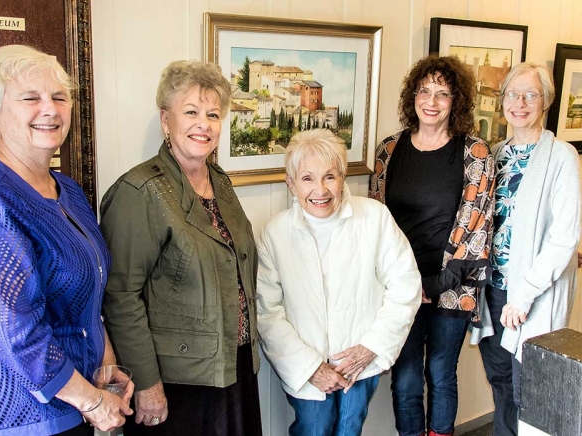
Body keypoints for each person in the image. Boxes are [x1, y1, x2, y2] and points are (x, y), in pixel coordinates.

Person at [0, 45, 133, 436]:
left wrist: (106, 365)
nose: (49, 108)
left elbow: (88, 296)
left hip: (72, 403)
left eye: (59, 97)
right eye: (31, 98)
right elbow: (13, 332)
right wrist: (93, 401)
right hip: (12, 415)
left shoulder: (67, 190)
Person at [99, 60, 262, 436]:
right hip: (177, 382)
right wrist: (147, 384)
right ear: (165, 120)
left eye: (213, 114)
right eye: (190, 112)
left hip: (231, 367)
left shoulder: (220, 182)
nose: (203, 124)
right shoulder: (138, 192)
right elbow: (121, 297)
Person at [257, 128, 422, 436]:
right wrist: (310, 367)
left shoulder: (374, 218)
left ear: (343, 177)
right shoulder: (275, 233)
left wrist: (371, 347)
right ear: (290, 184)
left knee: (349, 429)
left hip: (358, 362)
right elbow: (267, 311)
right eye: (307, 179)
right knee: (313, 429)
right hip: (306, 364)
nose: (320, 190)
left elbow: (406, 286)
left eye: (330, 176)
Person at [369, 55, 495, 436]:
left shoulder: (475, 154)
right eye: (425, 91)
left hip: (452, 286)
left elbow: (478, 224)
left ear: (456, 101)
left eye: (443, 93)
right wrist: (407, 284)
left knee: (440, 374)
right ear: (412, 97)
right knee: (405, 380)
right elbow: (377, 223)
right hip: (400, 286)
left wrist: (434, 284)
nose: (432, 101)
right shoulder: (389, 151)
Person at [474, 62, 581, 436]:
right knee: (502, 385)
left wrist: (524, 294)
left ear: (546, 102)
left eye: (530, 95)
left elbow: (565, 238)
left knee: (532, 395)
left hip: (531, 298)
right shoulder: (494, 154)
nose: (520, 103)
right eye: (512, 94)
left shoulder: (563, 158)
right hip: (494, 292)